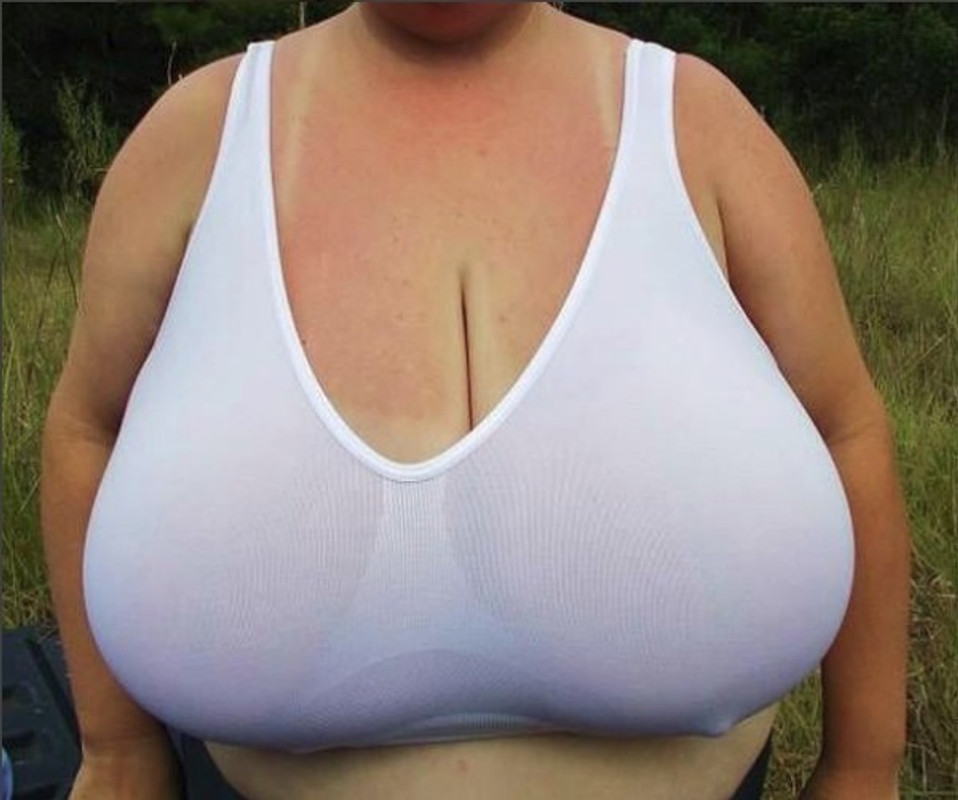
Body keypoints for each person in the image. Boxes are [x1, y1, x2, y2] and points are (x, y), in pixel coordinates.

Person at [42, 3, 910, 799]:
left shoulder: (697, 123)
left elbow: (844, 426)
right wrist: (118, 748)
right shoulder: (198, 138)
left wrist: (862, 767)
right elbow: (89, 426)